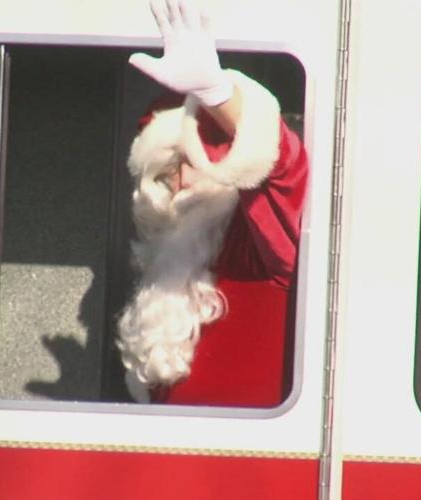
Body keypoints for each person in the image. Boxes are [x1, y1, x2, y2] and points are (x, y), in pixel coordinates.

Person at [117, 0, 309, 407]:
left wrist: (218, 96)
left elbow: (283, 173)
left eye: (191, 161)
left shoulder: (257, 244)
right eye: (167, 172)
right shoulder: (166, 263)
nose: (183, 182)